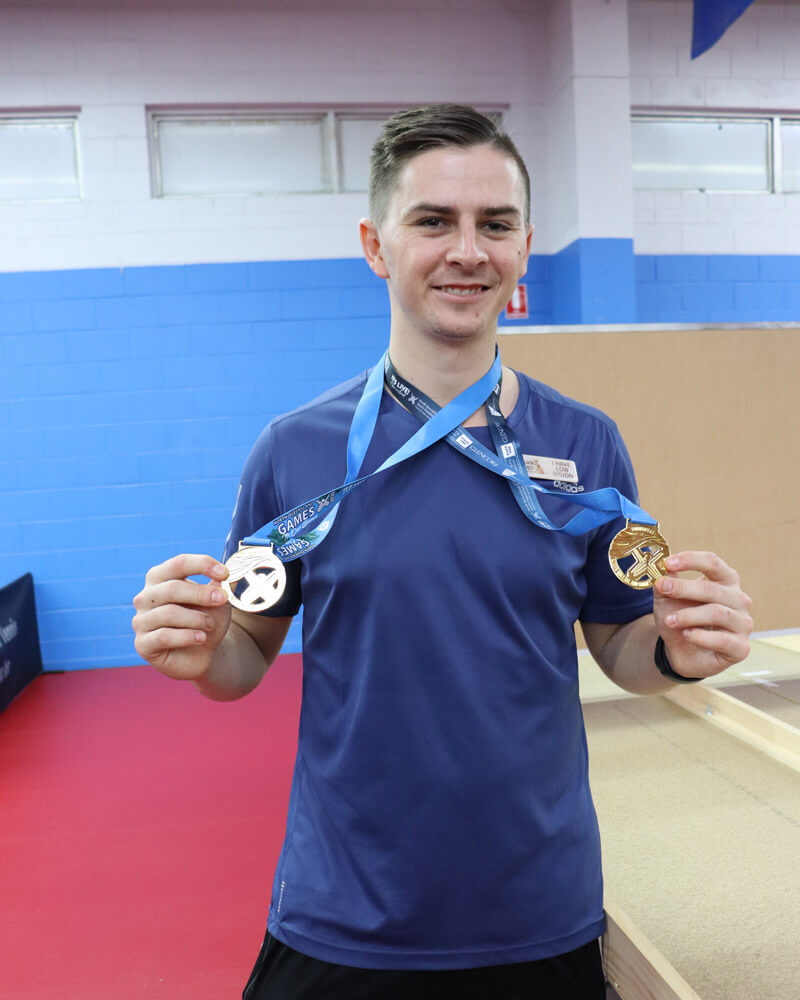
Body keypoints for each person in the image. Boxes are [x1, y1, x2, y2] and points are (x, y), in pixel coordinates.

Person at [132, 105, 753, 1000]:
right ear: (376, 245)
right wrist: (197, 651)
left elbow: (620, 642)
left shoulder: (586, 443)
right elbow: (242, 661)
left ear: (525, 246)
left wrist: (677, 653)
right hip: (344, 916)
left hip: (538, 912)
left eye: (494, 224)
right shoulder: (295, 449)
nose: (468, 251)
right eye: (433, 221)